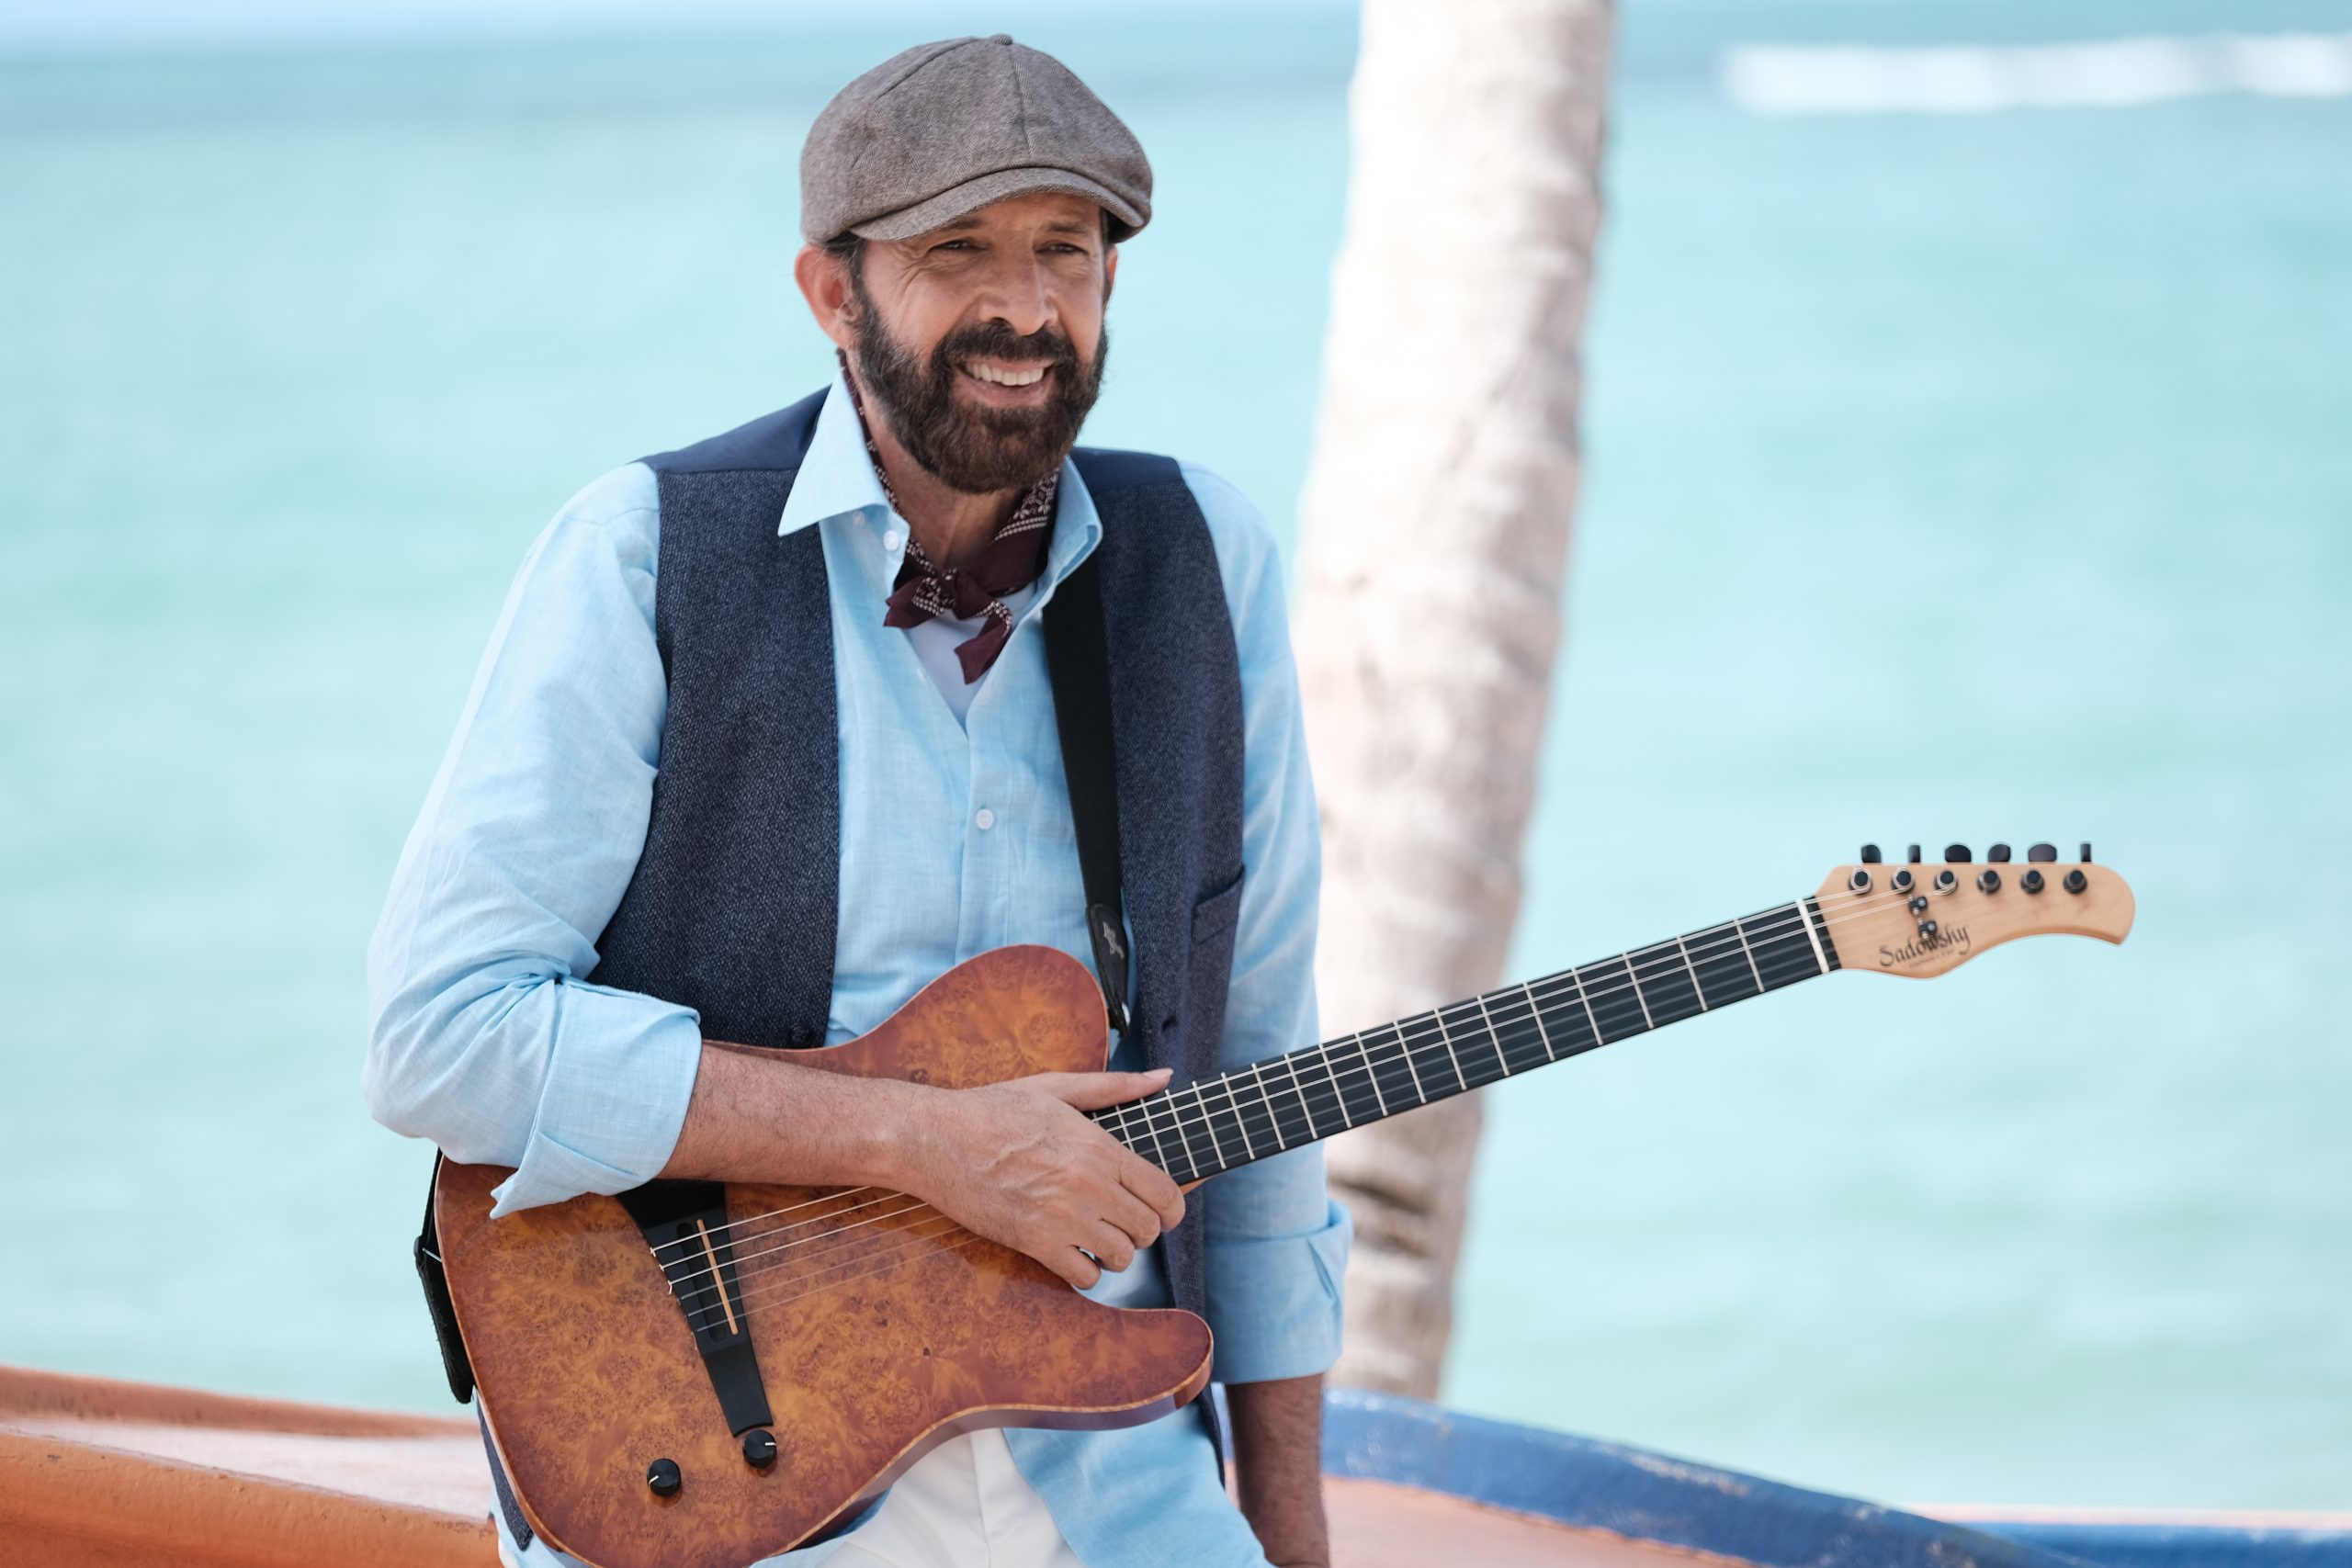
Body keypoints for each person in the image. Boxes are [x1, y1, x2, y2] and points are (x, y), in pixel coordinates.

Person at [364, 33, 1350, 1568]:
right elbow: (439, 1036)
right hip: (729, 1473)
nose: (1025, 307)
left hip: (1125, 1486)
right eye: (959, 251)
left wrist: (1288, 1531)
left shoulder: (1205, 564)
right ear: (833, 292)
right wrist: (915, 1143)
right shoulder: (644, 555)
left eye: (1065, 251)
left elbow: (1264, 1071)